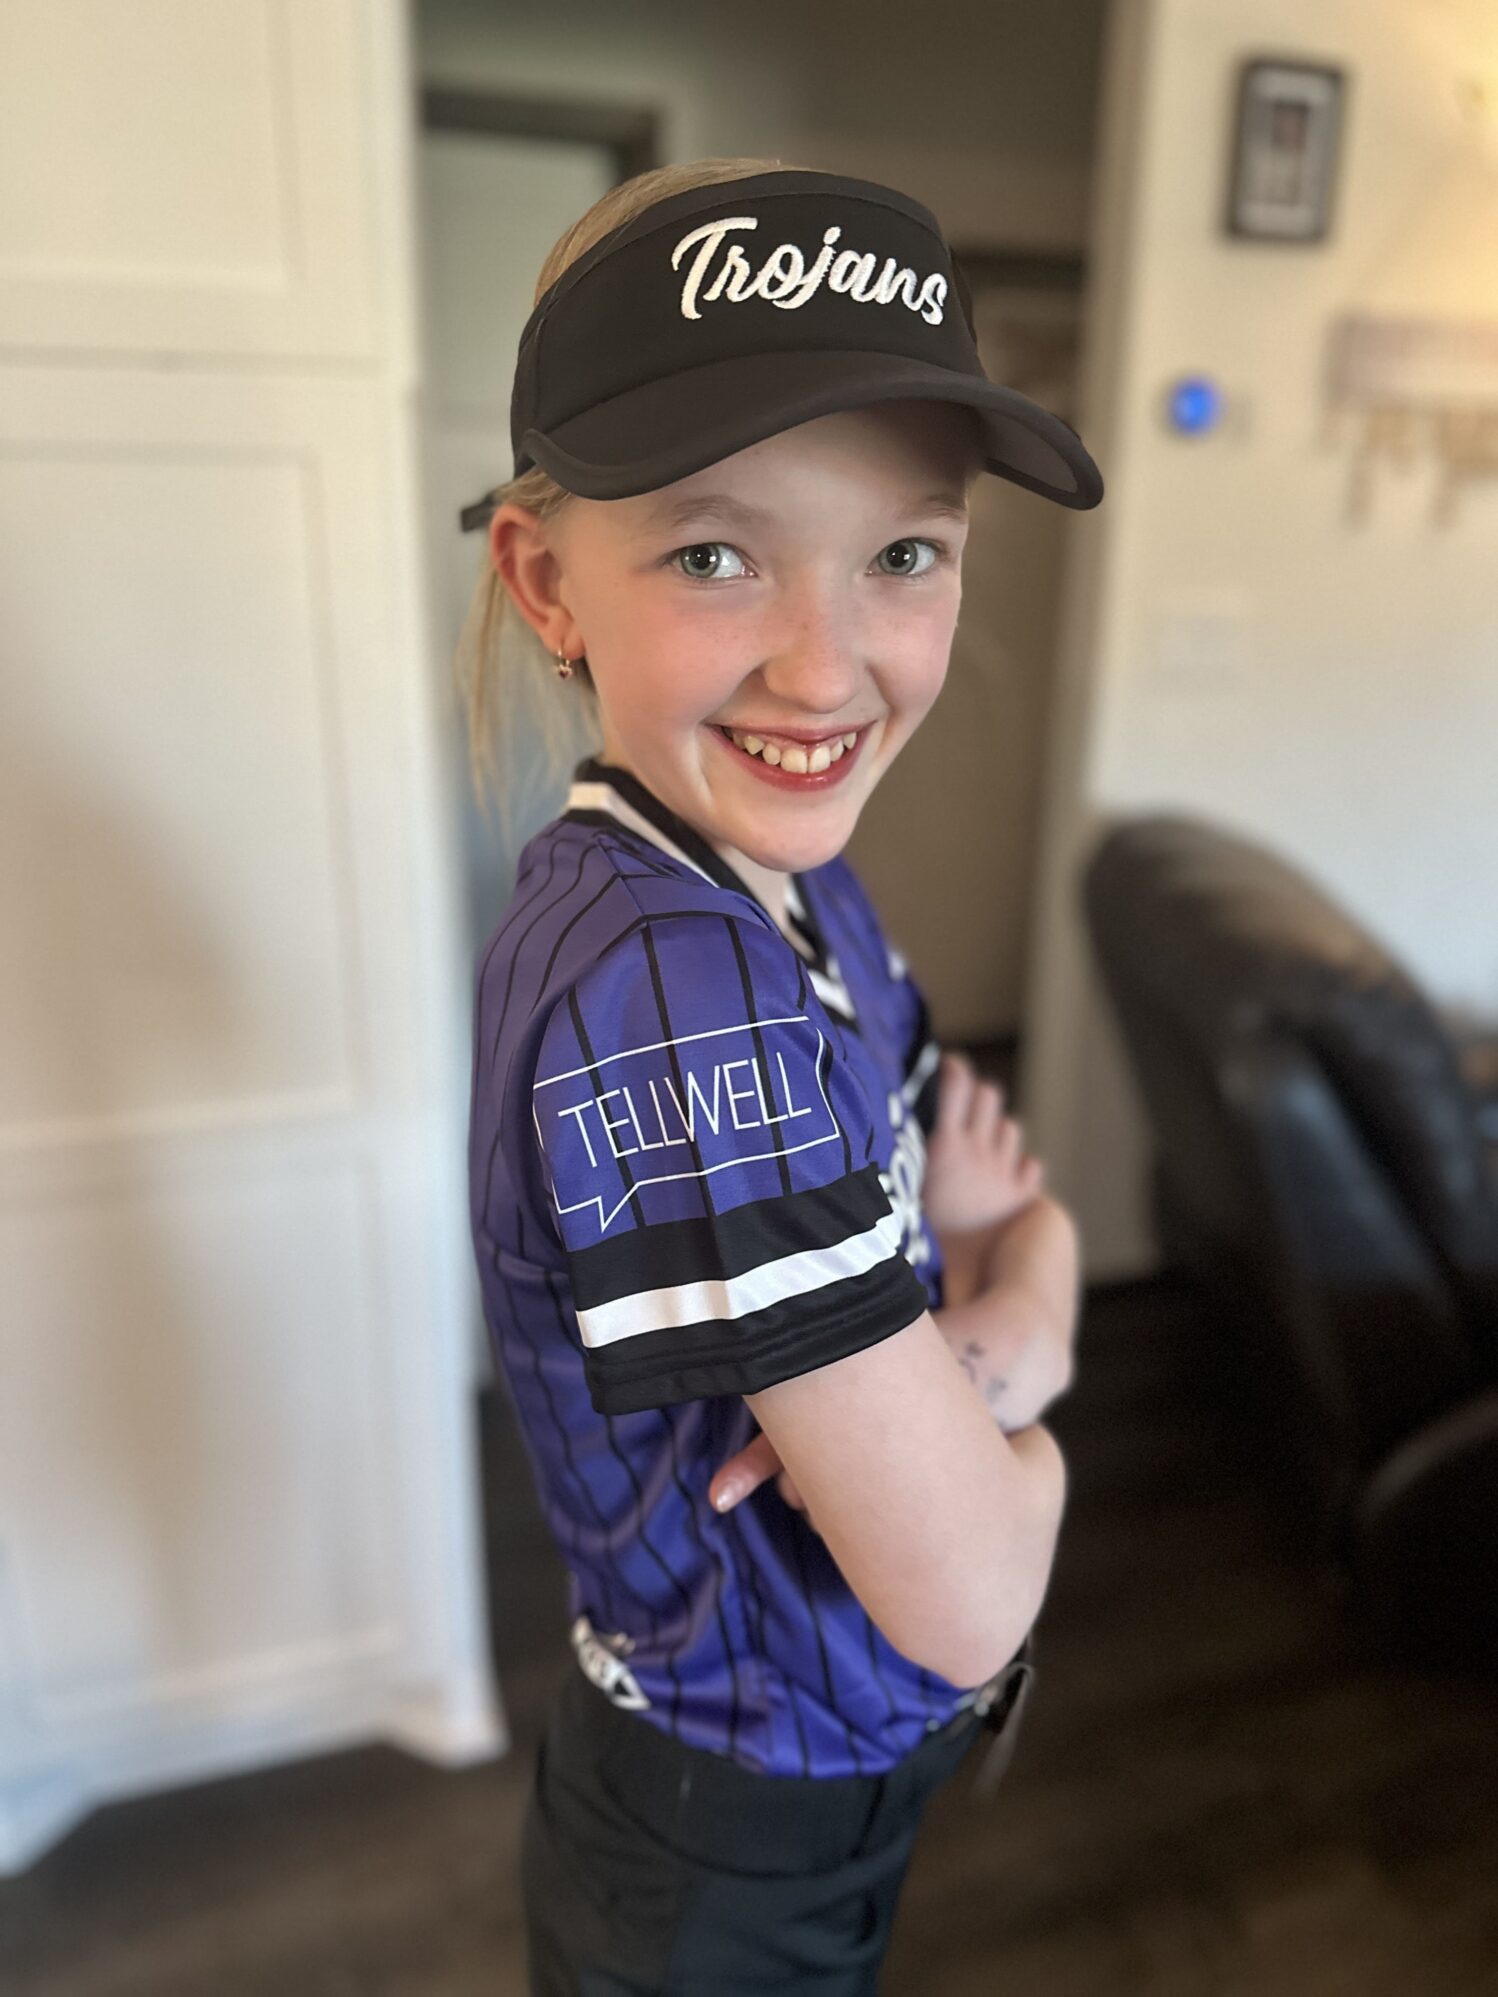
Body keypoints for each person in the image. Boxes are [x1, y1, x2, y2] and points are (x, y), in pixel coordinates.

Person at [459, 156, 1103, 1994]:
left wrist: (968, 1342)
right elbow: (971, 1590)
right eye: (712, 552)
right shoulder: (674, 985)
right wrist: (1028, 1346)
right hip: (719, 1852)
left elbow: (960, 1182)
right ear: (547, 582)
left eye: (903, 552)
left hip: (798, 1798)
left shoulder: (786, 881)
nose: (825, 670)